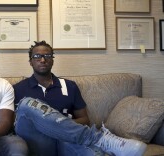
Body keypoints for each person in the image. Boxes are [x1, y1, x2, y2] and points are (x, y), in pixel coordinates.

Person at [13, 41, 147, 156]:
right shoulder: (18, 88)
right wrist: (58, 123)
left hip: (67, 140)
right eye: (37, 56)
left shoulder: (69, 86)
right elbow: (17, 123)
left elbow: (85, 119)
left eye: (47, 56)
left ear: (52, 60)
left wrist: (61, 127)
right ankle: (98, 138)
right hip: (38, 143)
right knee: (26, 104)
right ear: (30, 61)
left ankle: (104, 145)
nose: (43, 60)